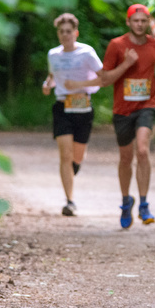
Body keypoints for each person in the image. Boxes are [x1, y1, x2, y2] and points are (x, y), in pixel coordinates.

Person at [70, 4, 155, 229]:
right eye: (135, 21)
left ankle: (144, 204)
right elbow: (106, 79)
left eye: (143, 21)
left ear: (147, 23)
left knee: (143, 150)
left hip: (147, 105)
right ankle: (126, 200)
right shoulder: (117, 45)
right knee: (126, 158)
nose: (139, 24)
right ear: (128, 22)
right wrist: (127, 63)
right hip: (122, 110)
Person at [43, 13, 137, 217]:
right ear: (58, 34)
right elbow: (52, 76)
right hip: (62, 108)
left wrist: (79, 85)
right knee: (65, 156)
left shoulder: (87, 53)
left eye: (69, 31)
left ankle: (73, 169)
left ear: (75, 33)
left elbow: (102, 79)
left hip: (83, 108)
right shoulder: (53, 54)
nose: (65, 35)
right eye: (61, 32)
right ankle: (70, 201)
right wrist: (47, 84)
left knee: (77, 156)